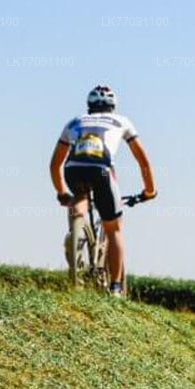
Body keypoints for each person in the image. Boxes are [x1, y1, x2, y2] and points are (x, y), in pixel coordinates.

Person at [49, 85, 155, 297]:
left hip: (73, 169)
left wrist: (61, 193)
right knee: (113, 228)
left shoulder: (74, 121)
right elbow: (143, 160)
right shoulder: (122, 121)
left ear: (89, 106)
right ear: (113, 106)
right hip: (102, 170)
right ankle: (115, 286)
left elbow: (54, 164)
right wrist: (149, 190)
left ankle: (76, 229)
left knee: (80, 196)